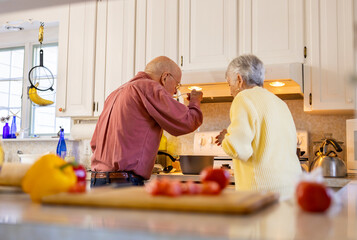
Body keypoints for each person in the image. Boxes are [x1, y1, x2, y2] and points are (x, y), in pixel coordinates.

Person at [90, 56, 203, 187]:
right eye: (176, 85)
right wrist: (195, 101)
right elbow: (187, 121)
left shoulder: (114, 94)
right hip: (123, 183)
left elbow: (94, 144)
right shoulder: (149, 87)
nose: (175, 91)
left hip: (97, 180)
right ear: (165, 77)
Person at [215, 54, 301, 200]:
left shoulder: (243, 98)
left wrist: (225, 138)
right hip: (290, 190)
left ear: (239, 79)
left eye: (229, 84)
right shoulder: (280, 103)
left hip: (260, 193)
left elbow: (239, 148)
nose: (230, 92)